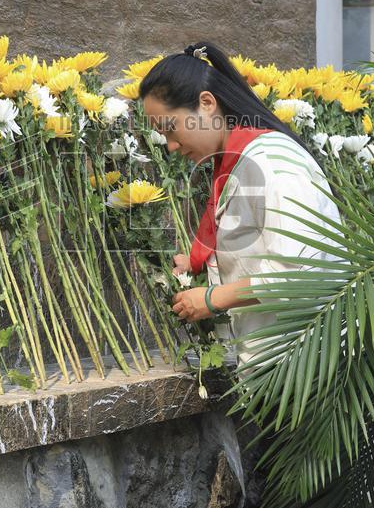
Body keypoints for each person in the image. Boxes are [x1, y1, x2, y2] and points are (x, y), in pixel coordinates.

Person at [138, 41, 343, 369]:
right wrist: (205, 261)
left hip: (311, 370)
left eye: (171, 129)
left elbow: (297, 271)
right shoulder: (240, 161)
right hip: (282, 369)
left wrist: (210, 299)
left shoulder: (272, 164)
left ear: (206, 103)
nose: (172, 146)